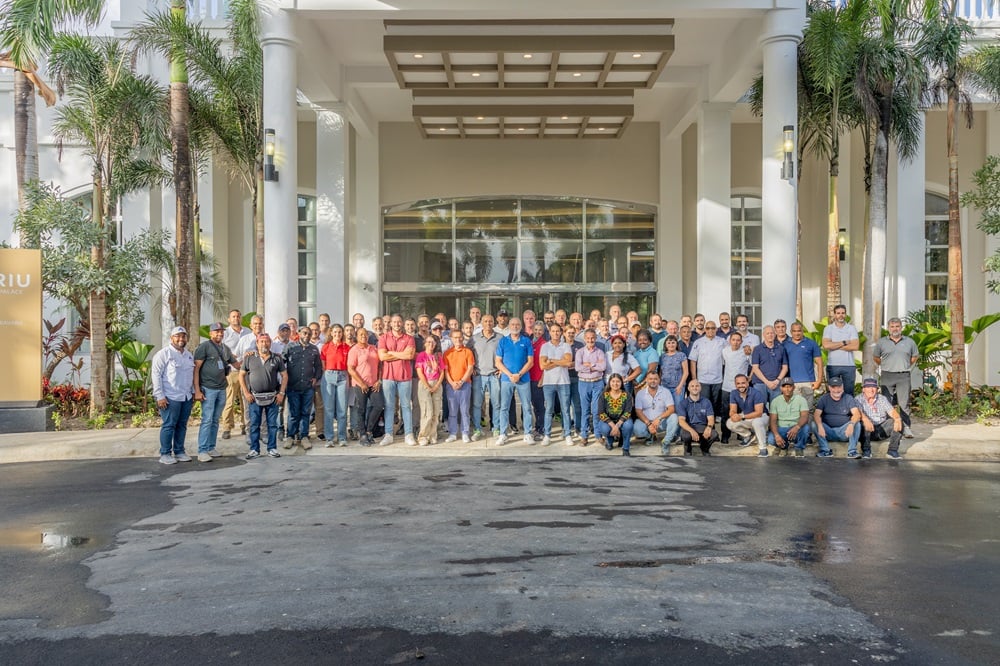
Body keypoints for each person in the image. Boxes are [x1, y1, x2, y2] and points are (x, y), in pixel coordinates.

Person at [193, 322, 238, 462]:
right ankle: (202, 450)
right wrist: (197, 390)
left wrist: (251, 358)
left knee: (215, 420)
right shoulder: (204, 347)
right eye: (216, 331)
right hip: (208, 388)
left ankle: (211, 447)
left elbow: (236, 364)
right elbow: (196, 368)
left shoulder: (225, 348)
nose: (219, 333)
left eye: (221, 331)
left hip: (221, 388)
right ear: (211, 333)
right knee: (207, 419)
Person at [240, 333, 288, 459]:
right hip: (254, 397)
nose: (264, 344)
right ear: (257, 343)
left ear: (270, 343)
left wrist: (281, 393)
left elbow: (285, 376)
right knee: (254, 424)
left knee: (272, 424)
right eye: (261, 341)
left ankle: (272, 448)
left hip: (272, 397)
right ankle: (254, 449)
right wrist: (246, 392)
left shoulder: (276, 358)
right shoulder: (249, 358)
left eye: (266, 341)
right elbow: (241, 375)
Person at [152, 326, 196, 464]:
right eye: (178, 336)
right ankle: (165, 453)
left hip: (186, 396)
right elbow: (156, 376)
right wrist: (160, 396)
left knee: (182, 425)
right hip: (170, 397)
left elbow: (191, 375)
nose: (181, 339)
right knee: (169, 425)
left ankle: (179, 451)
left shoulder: (189, 355)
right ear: (172, 338)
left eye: (183, 336)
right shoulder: (163, 354)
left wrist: (193, 392)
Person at [874, 317, 919, 439]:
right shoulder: (882, 342)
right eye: (892, 327)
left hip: (903, 375)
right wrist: (887, 365)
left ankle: (906, 428)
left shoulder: (909, 342)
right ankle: (889, 428)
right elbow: (876, 357)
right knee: (886, 403)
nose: (895, 329)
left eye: (897, 326)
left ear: (901, 327)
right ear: (888, 328)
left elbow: (914, 356)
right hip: (887, 375)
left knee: (904, 404)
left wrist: (904, 365)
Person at [378, 314, 417, 446]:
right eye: (394, 322)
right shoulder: (383, 337)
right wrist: (401, 355)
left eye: (399, 322)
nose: (397, 324)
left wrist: (391, 353)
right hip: (388, 377)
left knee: (406, 406)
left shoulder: (409, 338)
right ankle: (388, 434)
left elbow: (410, 355)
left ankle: (409, 434)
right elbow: (382, 357)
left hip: (405, 377)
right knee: (389, 406)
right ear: (391, 324)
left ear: (402, 323)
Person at [495, 317, 535, 445]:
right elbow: (498, 362)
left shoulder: (526, 341)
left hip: (523, 379)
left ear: (521, 326)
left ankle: (528, 433)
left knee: (527, 407)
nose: (515, 326)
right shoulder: (503, 341)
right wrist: (510, 374)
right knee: (504, 407)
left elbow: (530, 361)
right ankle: (503, 434)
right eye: (512, 324)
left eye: (517, 324)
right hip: (507, 379)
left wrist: (519, 374)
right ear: (509, 325)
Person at [282, 325, 323, 450]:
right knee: (293, 413)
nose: (307, 336)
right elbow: (281, 364)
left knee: (306, 413)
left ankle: (304, 436)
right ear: (299, 334)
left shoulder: (314, 349)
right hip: (293, 386)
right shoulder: (290, 347)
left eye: (309, 334)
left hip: (307, 387)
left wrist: (316, 378)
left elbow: (319, 367)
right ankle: (290, 436)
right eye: (305, 333)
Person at [346, 326, 383, 446]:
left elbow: (380, 366)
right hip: (360, 384)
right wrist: (361, 383)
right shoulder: (354, 350)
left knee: (378, 406)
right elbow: (350, 369)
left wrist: (379, 380)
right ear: (357, 336)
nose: (364, 336)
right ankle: (362, 434)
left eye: (365, 334)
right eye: (361, 334)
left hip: (374, 384)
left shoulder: (373, 348)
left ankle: (368, 430)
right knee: (361, 409)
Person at [688, 321, 726, 435]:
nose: (710, 330)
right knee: (704, 405)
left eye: (713, 328)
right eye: (708, 328)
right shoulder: (698, 342)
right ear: (705, 329)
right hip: (702, 380)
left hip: (717, 379)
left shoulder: (722, 342)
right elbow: (693, 361)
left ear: (716, 329)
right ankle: (703, 429)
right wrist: (694, 378)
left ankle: (712, 431)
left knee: (714, 405)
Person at [539, 323, 574, 446]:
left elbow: (569, 363)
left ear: (561, 332)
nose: (555, 333)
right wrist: (561, 362)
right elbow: (543, 365)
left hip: (563, 382)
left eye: (557, 331)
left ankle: (567, 434)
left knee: (565, 410)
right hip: (548, 383)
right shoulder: (545, 346)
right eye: (553, 331)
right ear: (550, 332)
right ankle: (547, 435)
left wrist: (552, 360)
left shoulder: (566, 346)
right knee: (549, 409)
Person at [221, 309, 252, 439]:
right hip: (232, 372)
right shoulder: (225, 333)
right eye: (233, 317)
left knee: (246, 399)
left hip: (246, 371)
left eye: (238, 316)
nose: (236, 318)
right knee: (230, 401)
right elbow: (221, 350)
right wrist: (231, 357)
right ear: (229, 319)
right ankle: (227, 427)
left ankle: (245, 425)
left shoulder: (248, 332)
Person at [856, 376, 904, 459]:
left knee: (898, 422)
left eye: (873, 387)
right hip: (866, 430)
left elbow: (892, 411)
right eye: (868, 387)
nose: (871, 390)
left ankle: (892, 451)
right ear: (863, 389)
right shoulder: (858, 399)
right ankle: (866, 451)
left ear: (877, 389)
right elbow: (857, 413)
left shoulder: (882, 399)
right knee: (862, 423)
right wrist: (865, 419)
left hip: (881, 428)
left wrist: (897, 418)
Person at [813, 376, 861, 458]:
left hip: (844, 432)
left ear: (842, 387)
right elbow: (816, 414)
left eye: (838, 387)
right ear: (829, 388)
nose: (836, 390)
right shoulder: (824, 398)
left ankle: (852, 451)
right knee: (814, 424)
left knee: (857, 424)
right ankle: (825, 451)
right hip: (827, 432)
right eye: (833, 387)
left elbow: (857, 414)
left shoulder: (848, 398)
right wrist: (820, 426)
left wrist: (851, 424)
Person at [319, 324, 351, 446]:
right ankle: (329, 438)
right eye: (335, 332)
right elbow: (323, 364)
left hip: (343, 376)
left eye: (339, 332)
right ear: (331, 333)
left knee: (342, 408)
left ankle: (342, 437)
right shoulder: (326, 347)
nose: (337, 334)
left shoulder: (346, 347)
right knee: (329, 409)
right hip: (329, 375)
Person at [633, 371, 679, 453]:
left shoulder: (665, 391)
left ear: (659, 380)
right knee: (637, 429)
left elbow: (671, 409)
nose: (653, 381)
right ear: (646, 380)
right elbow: (638, 411)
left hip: (661, 422)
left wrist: (659, 419)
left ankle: (666, 442)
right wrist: (649, 424)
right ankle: (649, 436)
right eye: (650, 379)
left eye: (655, 379)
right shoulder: (640, 393)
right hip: (646, 422)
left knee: (674, 417)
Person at [471, 314, 501, 439]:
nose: (488, 323)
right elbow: (467, 353)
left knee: (496, 403)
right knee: (477, 404)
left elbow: (505, 353)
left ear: (494, 323)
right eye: (485, 321)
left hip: (494, 375)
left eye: (490, 321)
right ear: (481, 323)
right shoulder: (474, 338)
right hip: (479, 375)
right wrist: (471, 367)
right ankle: (477, 429)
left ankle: (496, 428)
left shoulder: (500, 337)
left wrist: (502, 368)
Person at [725, 374, 770, 456]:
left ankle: (763, 449)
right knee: (729, 422)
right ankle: (748, 435)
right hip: (747, 416)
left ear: (747, 383)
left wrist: (741, 416)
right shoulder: (734, 393)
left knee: (757, 422)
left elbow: (759, 412)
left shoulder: (756, 393)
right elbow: (732, 410)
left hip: (762, 416)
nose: (740, 385)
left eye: (743, 383)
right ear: (735, 385)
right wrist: (733, 415)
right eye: (738, 383)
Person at [575, 329, 606, 446]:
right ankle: (584, 435)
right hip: (583, 383)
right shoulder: (580, 352)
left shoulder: (600, 352)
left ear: (595, 338)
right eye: (588, 338)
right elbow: (578, 367)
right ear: (584, 339)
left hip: (597, 382)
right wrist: (594, 366)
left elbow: (602, 366)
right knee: (585, 410)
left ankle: (598, 435)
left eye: (592, 338)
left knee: (596, 410)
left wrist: (588, 365)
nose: (590, 340)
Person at [443, 329, 475, 443]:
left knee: (465, 410)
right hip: (451, 385)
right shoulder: (447, 353)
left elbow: (470, 368)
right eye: (455, 337)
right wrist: (452, 383)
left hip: (465, 384)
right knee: (452, 411)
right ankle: (453, 433)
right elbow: (445, 371)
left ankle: (465, 432)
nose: (458, 339)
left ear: (462, 338)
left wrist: (461, 381)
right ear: (451, 339)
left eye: (460, 337)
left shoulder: (468, 352)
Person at [720, 331, 751, 443]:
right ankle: (725, 435)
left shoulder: (746, 352)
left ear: (741, 342)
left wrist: (749, 379)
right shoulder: (724, 351)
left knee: (741, 412)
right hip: (727, 387)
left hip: (741, 388)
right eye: (734, 340)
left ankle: (741, 434)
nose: (736, 342)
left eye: (738, 340)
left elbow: (752, 365)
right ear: (730, 341)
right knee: (725, 412)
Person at [768, 377, 812, 456]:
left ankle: (799, 447)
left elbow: (805, 416)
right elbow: (773, 420)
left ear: (793, 387)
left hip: (796, 427)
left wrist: (797, 427)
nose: (787, 389)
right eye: (784, 386)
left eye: (789, 386)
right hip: (782, 428)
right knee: (771, 439)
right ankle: (784, 447)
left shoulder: (801, 400)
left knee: (805, 429)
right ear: (781, 388)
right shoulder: (775, 401)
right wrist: (777, 435)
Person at [783, 322, 824, 407]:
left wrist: (819, 380)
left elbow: (819, 363)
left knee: (808, 409)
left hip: (808, 382)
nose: (797, 333)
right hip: (791, 382)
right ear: (791, 332)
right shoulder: (785, 344)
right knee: (794, 409)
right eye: (794, 331)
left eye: (799, 331)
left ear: (802, 331)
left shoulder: (811, 343)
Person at [823, 304, 860, 395]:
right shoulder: (828, 329)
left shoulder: (851, 328)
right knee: (832, 392)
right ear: (834, 315)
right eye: (838, 313)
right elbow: (826, 345)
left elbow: (855, 346)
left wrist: (834, 345)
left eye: (843, 313)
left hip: (849, 365)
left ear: (845, 314)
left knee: (848, 392)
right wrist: (843, 342)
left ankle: (848, 409)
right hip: (833, 365)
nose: (841, 315)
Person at [415, 335, 444, 446]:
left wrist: (436, 386)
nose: (431, 344)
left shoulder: (438, 356)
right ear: (425, 343)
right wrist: (428, 386)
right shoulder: (421, 356)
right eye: (429, 342)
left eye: (433, 342)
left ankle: (432, 435)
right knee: (428, 411)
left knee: (436, 413)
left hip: (436, 383)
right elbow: (420, 372)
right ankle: (423, 436)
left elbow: (442, 372)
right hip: (425, 384)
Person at [596, 373, 635, 456]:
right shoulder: (604, 395)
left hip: (623, 421)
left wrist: (617, 425)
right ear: (609, 382)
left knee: (628, 426)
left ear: (621, 383)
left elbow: (628, 412)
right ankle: (609, 441)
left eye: (618, 381)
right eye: (613, 381)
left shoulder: (627, 395)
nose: (615, 384)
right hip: (608, 421)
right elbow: (601, 413)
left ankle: (625, 447)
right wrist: (614, 426)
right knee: (605, 429)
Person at [677, 379, 718, 456]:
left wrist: (709, 427)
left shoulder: (706, 402)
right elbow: (681, 421)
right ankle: (688, 449)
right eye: (692, 386)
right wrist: (692, 431)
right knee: (686, 436)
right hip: (689, 427)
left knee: (714, 434)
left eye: (697, 386)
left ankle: (704, 448)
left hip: (702, 427)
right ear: (688, 388)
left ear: (700, 388)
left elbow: (711, 418)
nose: (695, 388)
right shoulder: (683, 403)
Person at [750, 325, 788, 401]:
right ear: (763, 335)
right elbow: (755, 368)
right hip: (760, 383)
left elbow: (785, 367)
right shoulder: (757, 349)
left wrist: (777, 380)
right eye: (767, 333)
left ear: (775, 334)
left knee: (775, 408)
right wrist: (767, 382)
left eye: (772, 333)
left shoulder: (781, 348)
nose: (770, 335)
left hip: (776, 383)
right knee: (761, 408)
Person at [563, 324, 585, 440]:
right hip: (563, 379)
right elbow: (560, 362)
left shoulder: (580, 345)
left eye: (572, 332)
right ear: (564, 333)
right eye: (568, 332)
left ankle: (578, 428)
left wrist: (571, 364)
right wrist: (569, 363)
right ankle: (566, 429)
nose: (571, 334)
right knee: (565, 405)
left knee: (577, 405)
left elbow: (582, 362)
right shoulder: (561, 345)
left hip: (577, 378)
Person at [528, 321, 547, 440]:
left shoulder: (544, 344)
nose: (537, 332)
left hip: (538, 379)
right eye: (536, 329)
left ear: (543, 332)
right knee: (534, 405)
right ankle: (537, 426)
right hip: (528, 378)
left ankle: (542, 428)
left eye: (540, 330)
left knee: (540, 406)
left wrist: (542, 378)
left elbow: (546, 363)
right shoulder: (530, 343)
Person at [658, 335, 689, 401]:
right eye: (669, 343)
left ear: (676, 344)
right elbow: (661, 372)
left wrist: (680, 386)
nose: (671, 345)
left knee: (678, 407)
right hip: (665, 387)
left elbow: (686, 372)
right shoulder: (662, 357)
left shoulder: (681, 355)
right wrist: (660, 386)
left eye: (673, 342)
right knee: (666, 407)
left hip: (678, 387)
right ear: (665, 345)